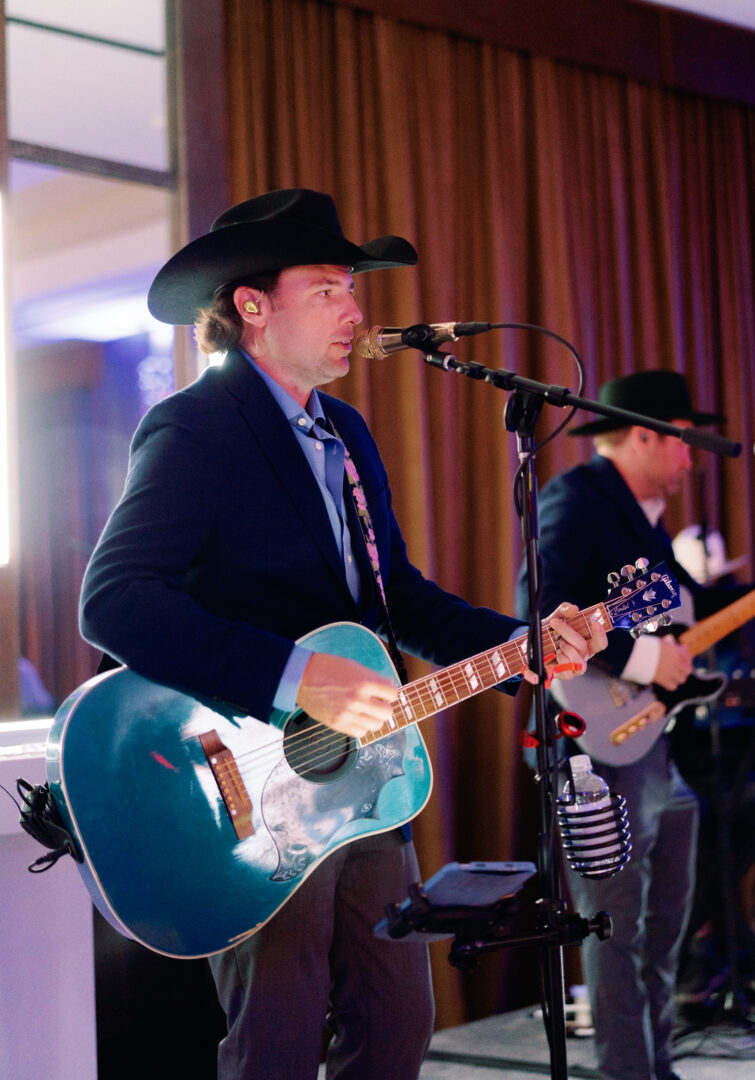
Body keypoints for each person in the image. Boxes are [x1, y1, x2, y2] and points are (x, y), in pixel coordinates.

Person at [78, 188, 604, 1080]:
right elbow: (115, 601)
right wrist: (296, 676)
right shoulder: (196, 425)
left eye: (352, 289)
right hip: (246, 789)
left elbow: (401, 598)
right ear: (253, 305)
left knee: (396, 1022)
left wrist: (524, 645)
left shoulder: (347, 434)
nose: (356, 313)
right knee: (278, 1039)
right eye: (327, 289)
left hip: (358, 782)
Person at [514, 370, 755, 1080]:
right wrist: (646, 658)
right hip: (591, 742)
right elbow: (542, 610)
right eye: (683, 441)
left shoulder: (643, 519)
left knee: (665, 920)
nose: (690, 458)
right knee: (616, 926)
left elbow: (696, 608)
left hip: (651, 743)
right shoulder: (577, 500)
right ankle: (629, 1072)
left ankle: (656, 1065)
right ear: (645, 436)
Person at [671, 526, 755, 1025]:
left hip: (738, 775)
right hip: (682, 778)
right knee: (684, 824)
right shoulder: (667, 641)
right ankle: (700, 948)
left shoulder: (752, 646)